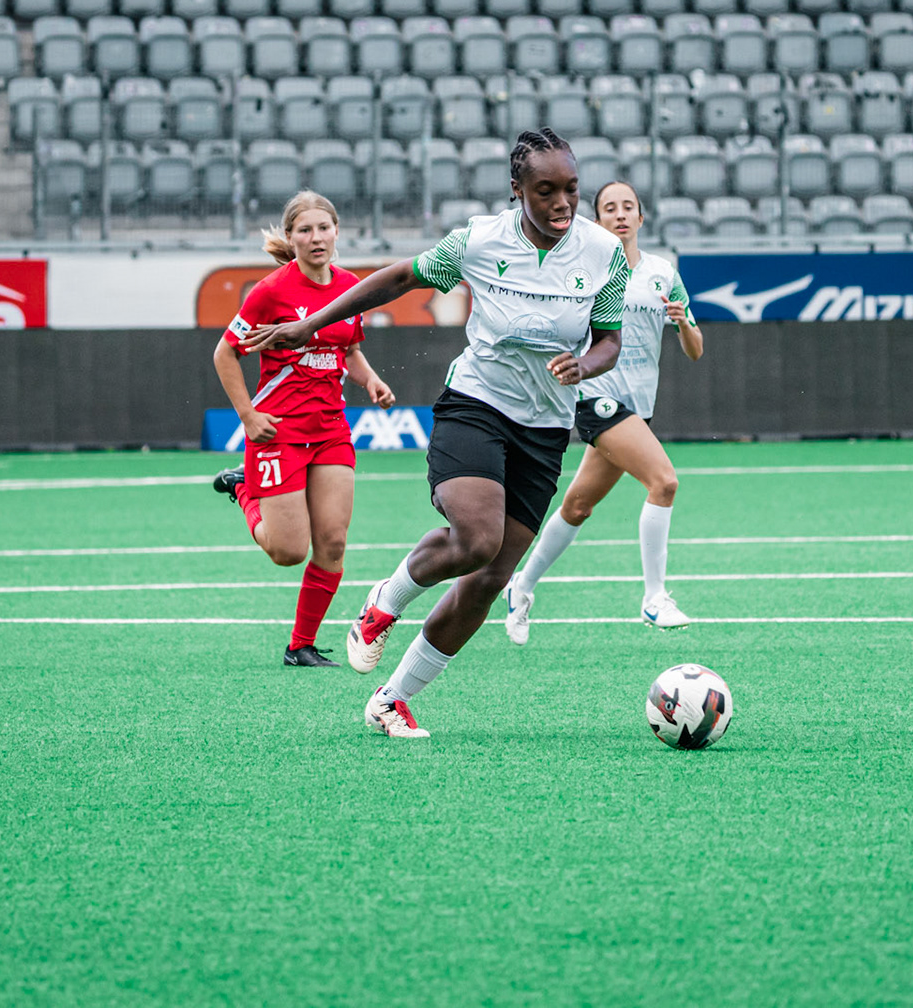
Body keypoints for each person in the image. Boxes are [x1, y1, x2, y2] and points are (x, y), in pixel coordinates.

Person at [241, 130, 630, 738]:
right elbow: (399, 279)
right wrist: (310, 325)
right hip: (476, 405)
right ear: (516, 191)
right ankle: (384, 603)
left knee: (491, 577)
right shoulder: (480, 239)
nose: (562, 203)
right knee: (476, 538)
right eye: (545, 190)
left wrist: (587, 363)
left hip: (545, 428)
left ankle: (391, 698)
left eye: (572, 189)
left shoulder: (603, 252)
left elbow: (609, 339)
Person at [503, 180, 704, 643]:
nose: (619, 214)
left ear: (641, 216)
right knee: (664, 481)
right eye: (609, 208)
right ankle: (655, 598)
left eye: (628, 206)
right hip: (596, 399)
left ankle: (521, 586)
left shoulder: (662, 272)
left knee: (578, 505)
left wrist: (683, 323)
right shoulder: (587, 270)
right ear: (596, 220)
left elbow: (694, 349)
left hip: (638, 407)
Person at [208, 191, 396, 668]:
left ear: (337, 232)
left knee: (332, 542)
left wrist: (370, 379)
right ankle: (245, 491)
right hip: (278, 432)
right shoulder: (270, 291)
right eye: (305, 230)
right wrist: (248, 417)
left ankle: (301, 646)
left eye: (324, 228)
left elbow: (347, 348)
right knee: (288, 552)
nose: (317, 238)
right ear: (290, 238)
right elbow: (225, 353)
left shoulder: (351, 286)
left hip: (331, 429)